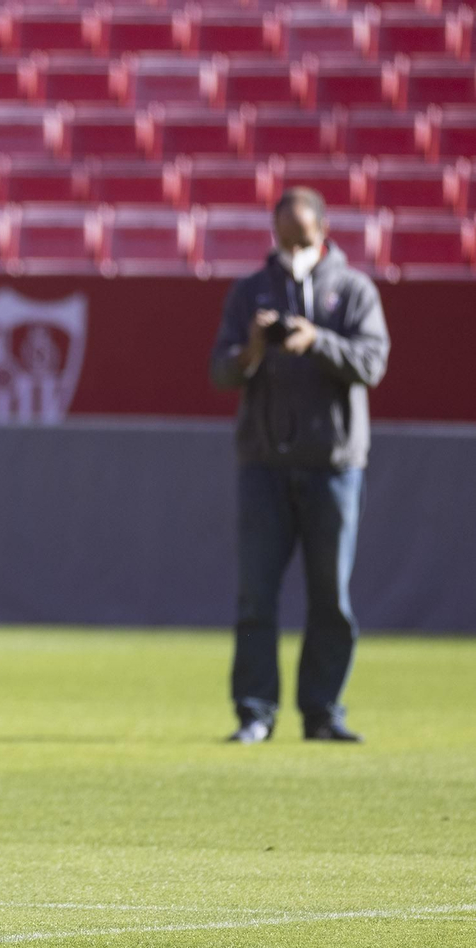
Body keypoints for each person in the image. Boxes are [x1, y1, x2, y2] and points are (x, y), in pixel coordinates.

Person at [210, 188, 389, 744]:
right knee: (256, 595)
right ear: (274, 234)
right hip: (264, 461)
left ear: (324, 229)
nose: (294, 246)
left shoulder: (354, 289)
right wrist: (255, 349)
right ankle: (255, 712)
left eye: (303, 237)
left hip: (333, 463)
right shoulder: (250, 292)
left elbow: (372, 363)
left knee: (330, 597)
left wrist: (318, 341)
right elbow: (221, 372)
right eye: (285, 237)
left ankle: (323, 711)